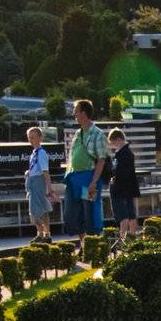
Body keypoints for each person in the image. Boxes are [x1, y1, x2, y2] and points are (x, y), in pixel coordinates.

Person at [63, 98, 107, 239]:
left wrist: (94, 181)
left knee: (89, 212)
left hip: (88, 178)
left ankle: (93, 243)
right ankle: (83, 243)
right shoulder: (77, 133)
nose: (74, 114)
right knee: (73, 213)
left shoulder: (97, 133)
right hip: (74, 178)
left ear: (83, 113)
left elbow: (101, 159)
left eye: (76, 111)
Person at [107, 128, 139, 242]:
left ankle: (122, 240)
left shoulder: (123, 154)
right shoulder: (126, 153)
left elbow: (122, 172)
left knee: (123, 216)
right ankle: (132, 239)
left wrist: (113, 179)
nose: (113, 145)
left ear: (119, 139)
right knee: (131, 215)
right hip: (128, 188)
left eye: (113, 142)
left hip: (120, 189)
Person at [24, 126, 54, 244]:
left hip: (38, 182)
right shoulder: (33, 153)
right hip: (32, 181)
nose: (30, 140)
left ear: (40, 138)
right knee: (36, 208)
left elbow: (45, 170)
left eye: (33, 137)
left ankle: (44, 234)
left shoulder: (41, 153)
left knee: (39, 209)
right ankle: (41, 233)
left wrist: (49, 187)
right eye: (29, 138)